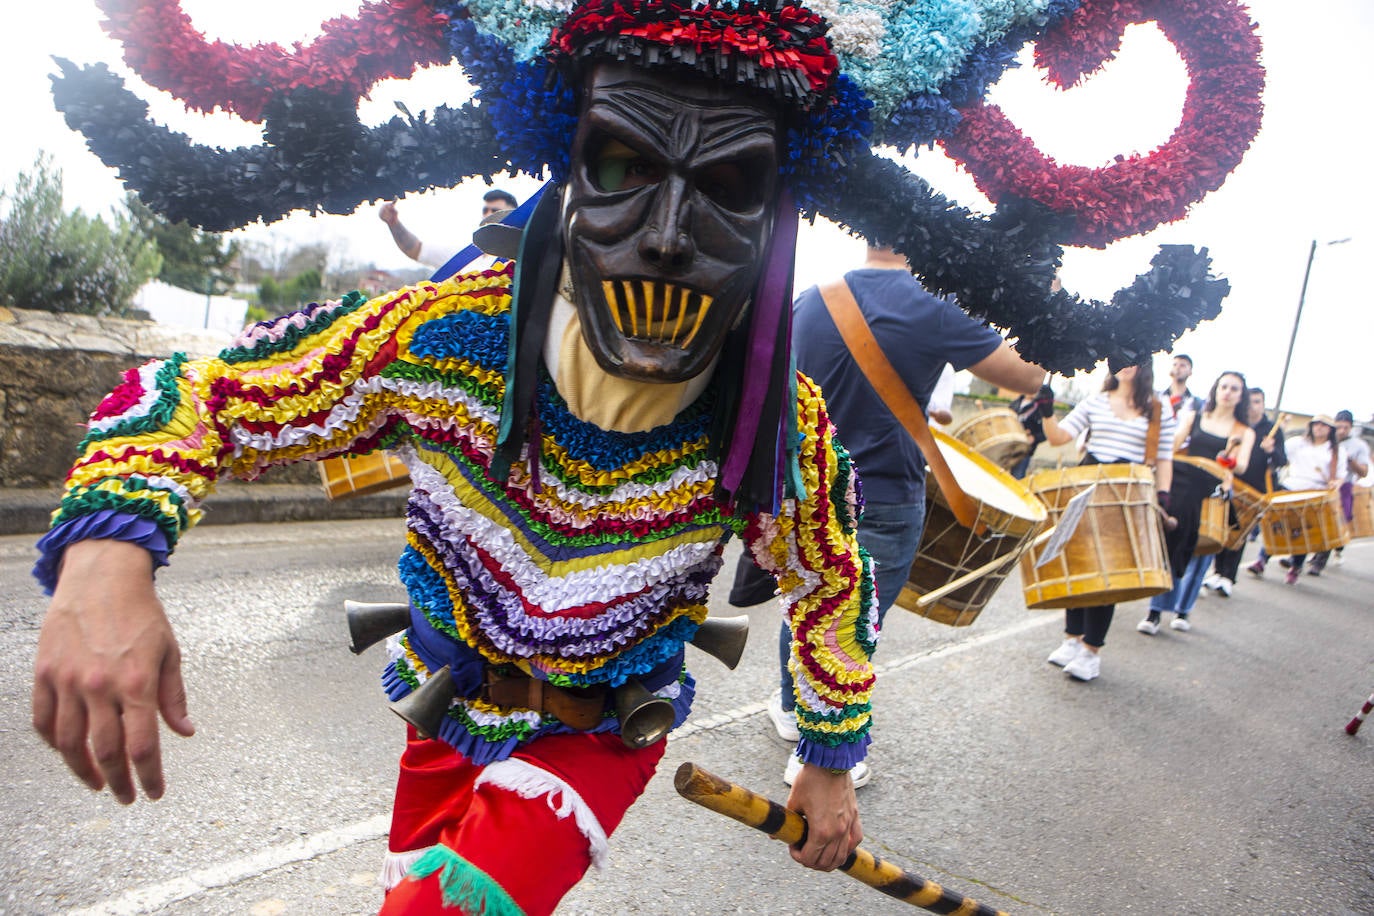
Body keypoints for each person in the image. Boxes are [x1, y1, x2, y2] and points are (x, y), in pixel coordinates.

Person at [31, 21, 880, 912]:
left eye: (727, 185)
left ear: (773, 218)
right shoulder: (447, 335)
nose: (667, 238)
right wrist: (104, 556)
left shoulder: (776, 417)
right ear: (571, 175)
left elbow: (830, 574)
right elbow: (194, 393)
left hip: (599, 736)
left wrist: (829, 758)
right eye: (625, 168)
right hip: (442, 710)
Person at [748, 246, 1044, 785]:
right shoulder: (932, 303)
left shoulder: (809, 300)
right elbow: (1027, 377)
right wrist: (1042, 311)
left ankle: (794, 711)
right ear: (922, 235)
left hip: (809, 490)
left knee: (808, 598)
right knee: (855, 625)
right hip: (883, 494)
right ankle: (826, 754)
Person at [1039, 359, 1176, 681]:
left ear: (1146, 365)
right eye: (1119, 360)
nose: (1126, 366)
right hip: (1085, 485)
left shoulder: (1159, 407)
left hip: (1126, 494)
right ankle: (1071, 639)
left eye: (1133, 360)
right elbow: (1059, 438)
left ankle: (1091, 651)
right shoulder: (1095, 401)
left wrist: (1164, 494)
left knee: (1109, 572)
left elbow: (1165, 457)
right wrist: (1047, 412)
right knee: (1078, 562)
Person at [1137, 371, 1254, 633]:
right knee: (1173, 542)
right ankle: (1155, 612)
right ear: (1216, 389)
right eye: (1224, 386)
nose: (1228, 392)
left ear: (1240, 396)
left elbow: (1242, 465)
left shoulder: (1244, 431)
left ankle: (1183, 610)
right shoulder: (1194, 417)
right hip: (1186, 486)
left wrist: (1229, 460)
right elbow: (1171, 445)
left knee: (1202, 554)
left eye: (1234, 389)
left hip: (1216, 489)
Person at [1202, 386, 1286, 596]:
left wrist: (1271, 450)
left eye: (1257, 402)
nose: (1252, 406)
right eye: (1250, 402)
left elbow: (1282, 460)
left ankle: (1229, 576)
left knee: (1240, 532)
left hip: (1254, 487)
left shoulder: (1272, 429)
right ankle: (1217, 572)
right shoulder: (1238, 425)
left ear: (1263, 404)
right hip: (1232, 482)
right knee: (1222, 527)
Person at [1247, 415, 1344, 584]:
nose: (1319, 428)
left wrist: (1335, 483)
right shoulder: (1298, 443)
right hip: (1291, 487)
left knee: (1303, 532)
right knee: (1276, 525)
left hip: (1315, 493)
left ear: (1330, 430)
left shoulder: (1336, 451)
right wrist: (1270, 447)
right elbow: (1280, 456)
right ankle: (1262, 560)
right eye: (1317, 424)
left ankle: (1295, 567)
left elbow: (1340, 477)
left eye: (1324, 425)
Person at [379, 189, 519, 268]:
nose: (487, 215)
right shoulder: (465, 256)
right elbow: (415, 250)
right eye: (485, 210)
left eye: (495, 211)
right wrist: (394, 223)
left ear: (514, 215)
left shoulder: (522, 258)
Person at [1323, 410, 1370, 567]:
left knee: (1339, 520)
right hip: (1323, 484)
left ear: (1351, 427)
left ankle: (1325, 556)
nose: (1342, 431)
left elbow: (1363, 472)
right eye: (1339, 427)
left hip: (1344, 485)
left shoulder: (1359, 446)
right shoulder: (1326, 440)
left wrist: (1350, 461)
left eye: (1346, 427)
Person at [1008, 382, 1056, 479]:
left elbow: (1045, 432)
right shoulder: (1014, 405)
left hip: (1024, 451)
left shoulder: (1040, 408)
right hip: (1008, 447)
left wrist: (1034, 438)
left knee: (1017, 478)